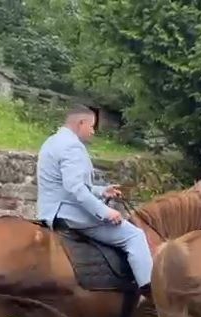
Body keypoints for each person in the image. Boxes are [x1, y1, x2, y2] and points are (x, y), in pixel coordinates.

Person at [37, 105, 152, 296]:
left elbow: (68, 185)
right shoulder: (72, 146)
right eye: (91, 126)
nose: (93, 131)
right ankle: (150, 293)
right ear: (81, 123)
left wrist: (102, 191)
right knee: (134, 236)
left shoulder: (52, 141)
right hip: (71, 214)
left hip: (51, 211)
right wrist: (105, 212)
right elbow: (76, 189)